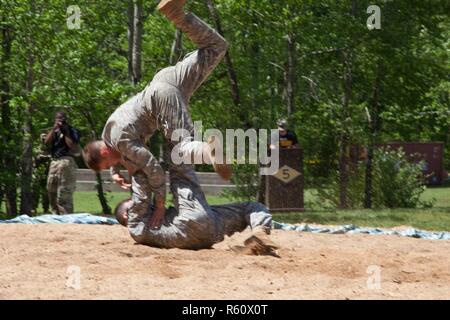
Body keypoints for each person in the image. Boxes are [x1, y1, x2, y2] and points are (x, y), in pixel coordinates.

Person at [83, 0, 231, 230]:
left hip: (161, 99)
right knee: (216, 46)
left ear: (104, 151)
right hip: (165, 80)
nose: (112, 164)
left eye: (107, 163)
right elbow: (115, 151)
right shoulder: (109, 128)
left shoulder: (122, 142)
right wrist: (115, 169)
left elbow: (154, 169)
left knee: (181, 149)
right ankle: (177, 14)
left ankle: (207, 150)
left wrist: (160, 205)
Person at [114, 157, 279, 256]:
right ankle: (195, 147)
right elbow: (141, 189)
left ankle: (260, 234)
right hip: (190, 222)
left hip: (207, 235)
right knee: (178, 171)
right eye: (132, 206)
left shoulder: (141, 233)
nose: (141, 205)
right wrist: (128, 158)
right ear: (127, 215)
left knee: (252, 206)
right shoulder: (135, 225)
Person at [44, 111, 80, 214]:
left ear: (66, 120)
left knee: (65, 191)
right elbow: (46, 142)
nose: (60, 121)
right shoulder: (54, 131)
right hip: (54, 161)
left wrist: (66, 132)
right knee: (51, 189)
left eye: (62, 119)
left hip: (67, 161)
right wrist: (54, 129)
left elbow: (72, 146)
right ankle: (55, 214)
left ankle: (66, 215)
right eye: (58, 119)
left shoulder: (72, 130)